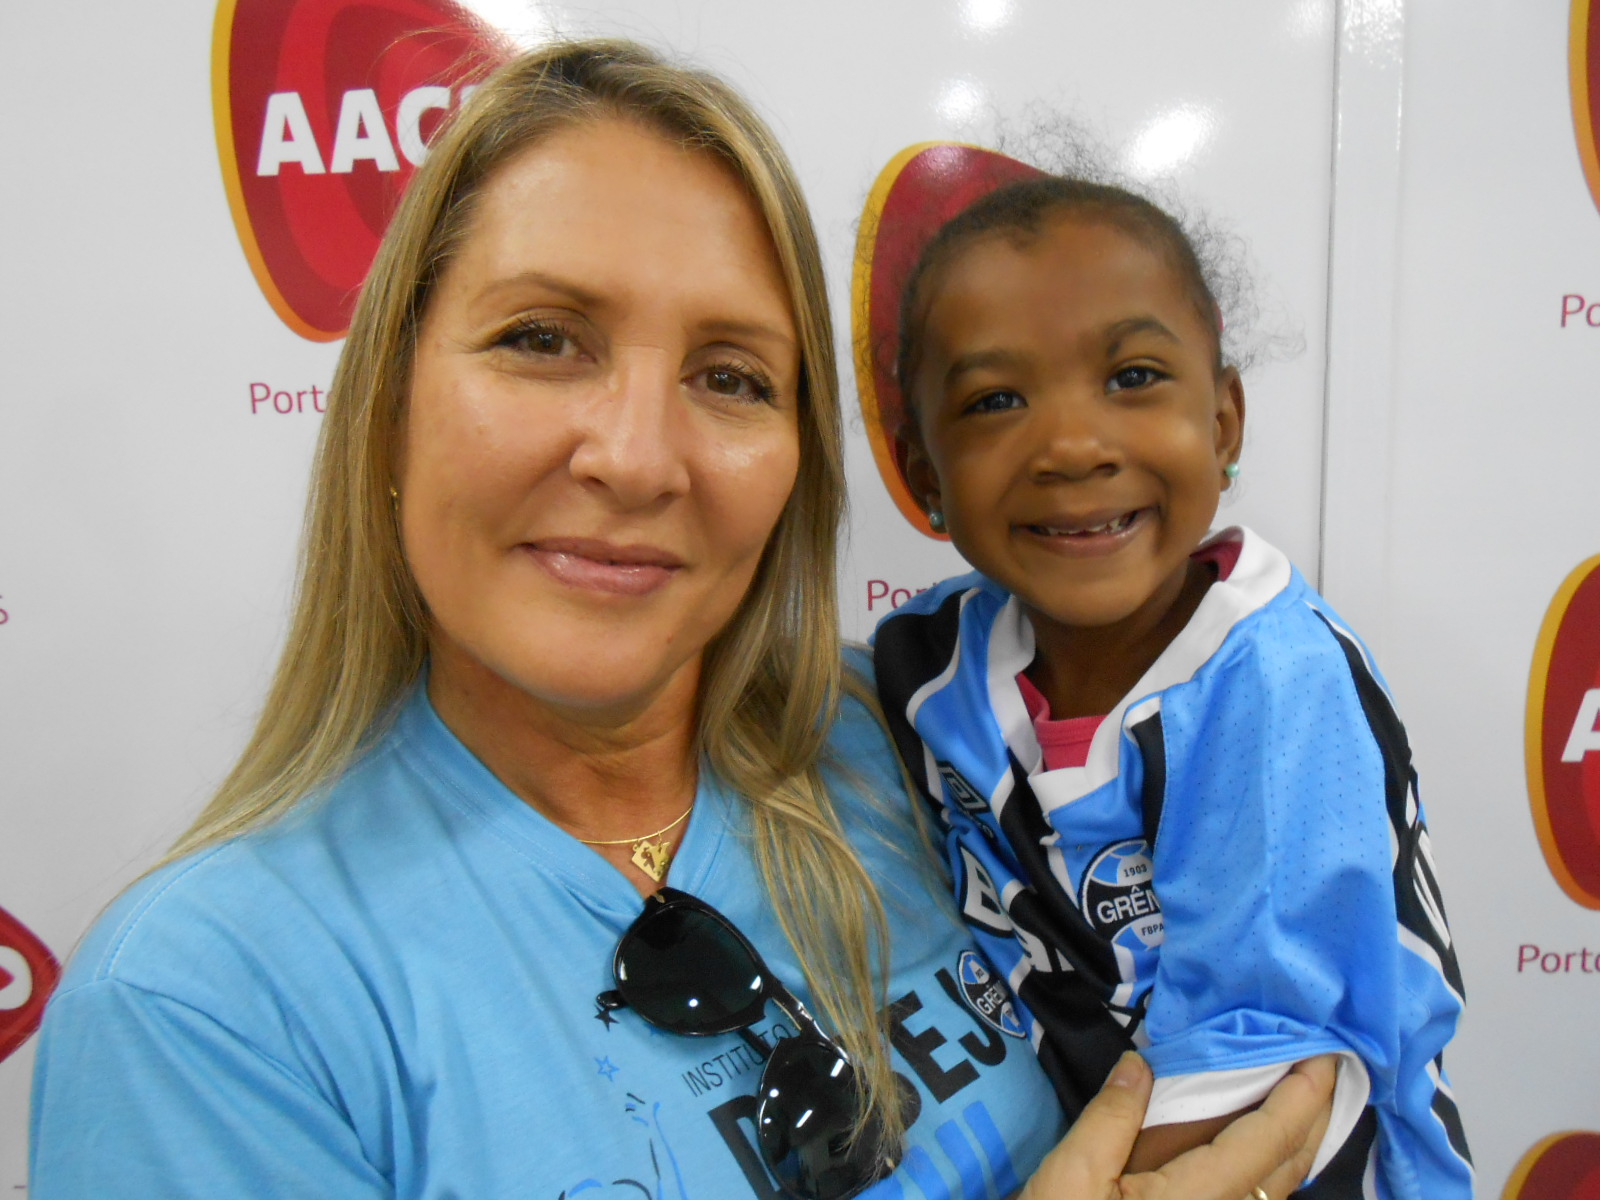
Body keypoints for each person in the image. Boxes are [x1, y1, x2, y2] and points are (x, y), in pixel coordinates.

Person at [29, 41, 1330, 1200]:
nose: (642, 459)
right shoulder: (208, 1008)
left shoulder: (909, 740)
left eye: (730, 376)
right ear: (389, 407)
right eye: (543, 339)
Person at [867, 163, 1473, 1197]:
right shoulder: (926, 664)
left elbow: (1259, 1070)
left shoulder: (1275, 689)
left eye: (1134, 377)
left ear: (1224, 422)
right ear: (925, 476)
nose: (1071, 445)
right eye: (996, 399)